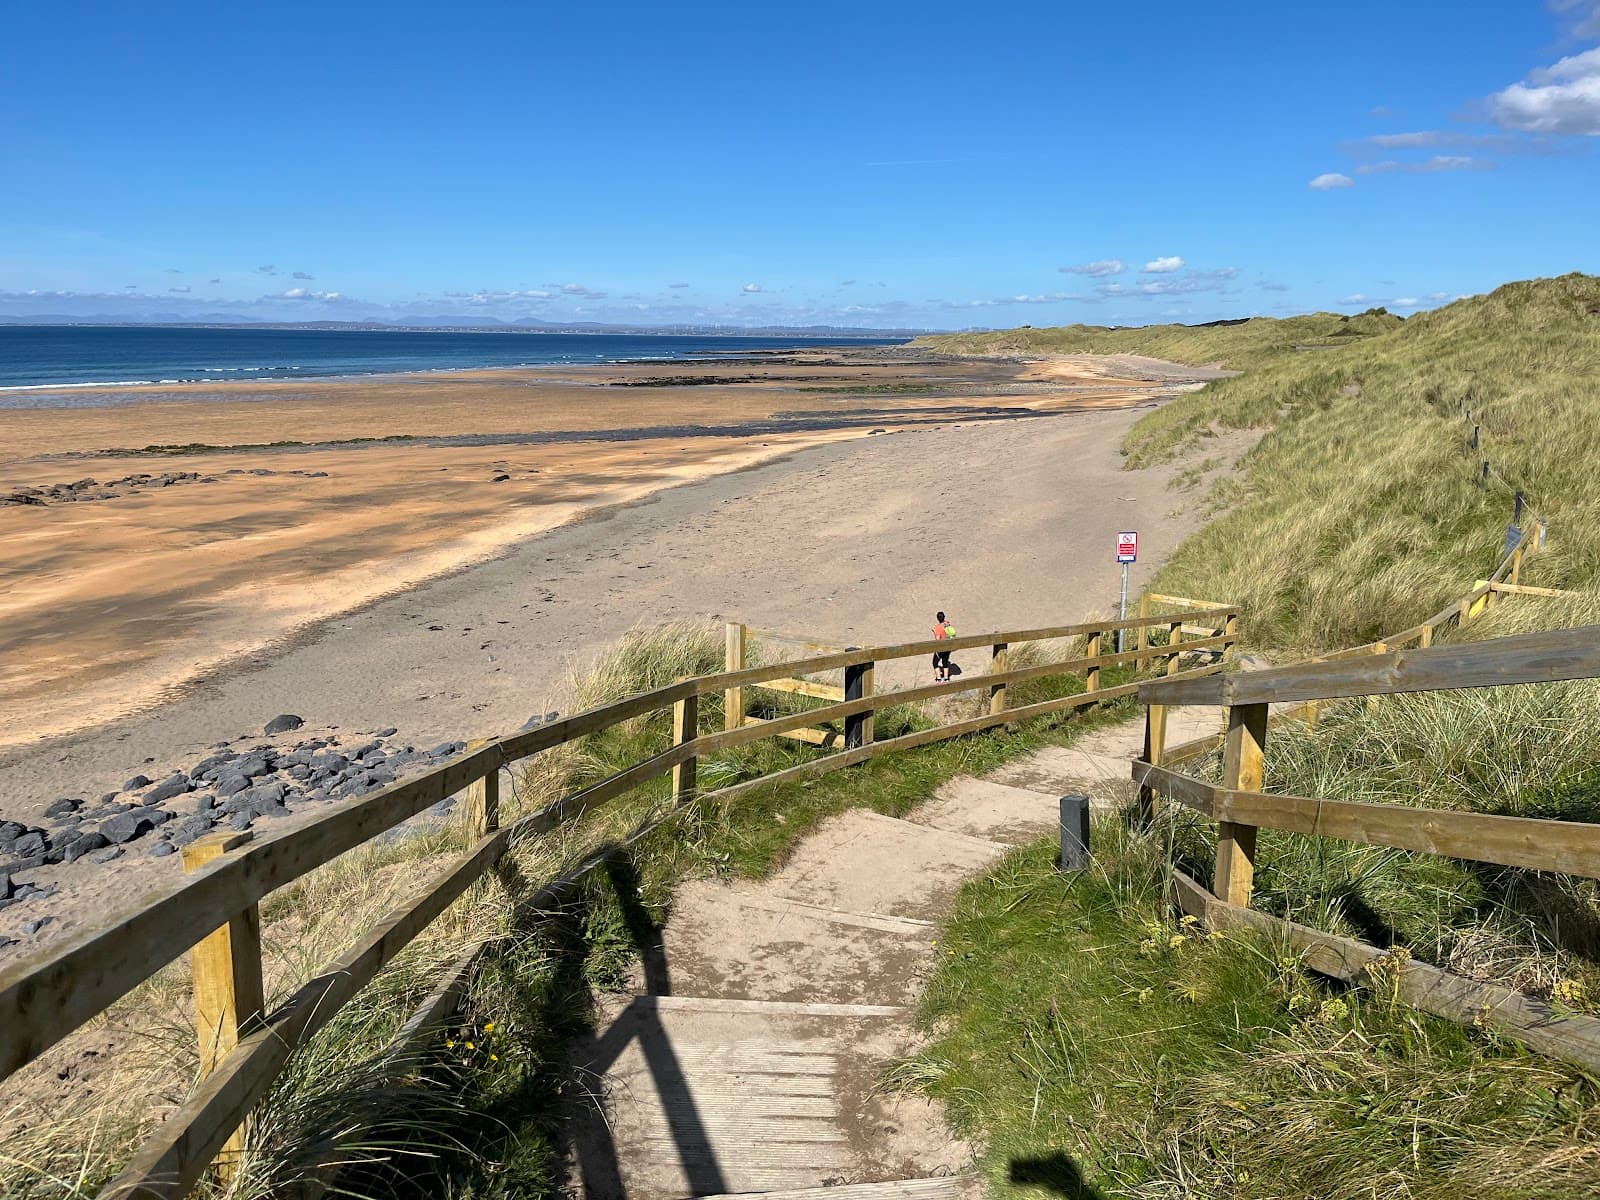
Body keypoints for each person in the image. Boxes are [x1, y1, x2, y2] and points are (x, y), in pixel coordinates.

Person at [932, 610, 956, 681]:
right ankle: (946, 678)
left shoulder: (938, 627)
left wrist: (934, 632)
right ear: (944, 617)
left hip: (941, 648)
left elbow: (938, 640)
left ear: (937, 619)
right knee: (945, 662)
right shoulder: (948, 624)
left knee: (935, 662)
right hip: (948, 646)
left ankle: (939, 678)